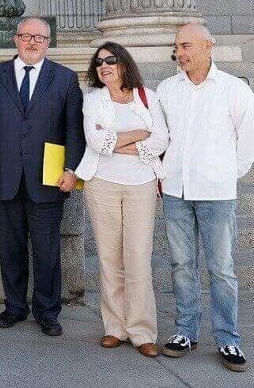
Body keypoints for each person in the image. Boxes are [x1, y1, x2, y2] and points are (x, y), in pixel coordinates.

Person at [157, 23, 254, 372]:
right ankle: (185, 331)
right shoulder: (167, 89)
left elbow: (250, 144)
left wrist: (224, 175)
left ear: (208, 46)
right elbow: (160, 138)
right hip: (175, 191)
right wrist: (164, 173)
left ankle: (228, 337)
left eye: (186, 46)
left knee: (222, 270)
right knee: (181, 265)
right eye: (177, 47)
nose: (180, 53)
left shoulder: (234, 89)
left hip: (217, 194)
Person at [0, 16, 84, 336]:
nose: (32, 42)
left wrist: (71, 169)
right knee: (10, 247)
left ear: (48, 43)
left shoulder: (65, 78)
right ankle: (14, 307)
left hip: (48, 179)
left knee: (47, 250)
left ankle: (47, 311)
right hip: (5, 176)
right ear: (15, 39)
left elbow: (74, 130)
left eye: (39, 37)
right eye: (26, 36)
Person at [75, 42, 168, 357]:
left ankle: (142, 331)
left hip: (142, 184)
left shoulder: (148, 97)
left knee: (138, 256)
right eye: (99, 62)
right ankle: (114, 327)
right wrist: (139, 135)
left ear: (124, 63)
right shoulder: (93, 99)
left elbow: (161, 139)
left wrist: (118, 143)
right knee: (109, 257)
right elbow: (96, 141)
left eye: (111, 60)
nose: (104, 66)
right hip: (102, 184)